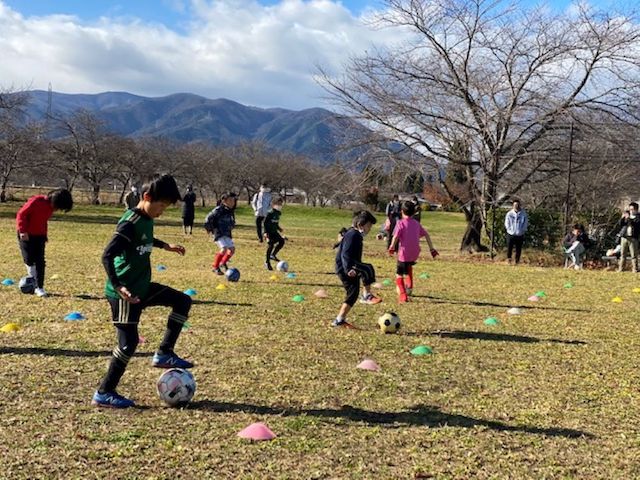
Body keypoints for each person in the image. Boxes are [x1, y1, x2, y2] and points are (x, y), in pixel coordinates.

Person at [93, 175, 192, 409]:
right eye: (161, 206)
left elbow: (145, 238)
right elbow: (107, 255)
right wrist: (119, 287)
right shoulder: (130, 222)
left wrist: (165, 246)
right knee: (128, 345)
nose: (162, 211)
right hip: (126, 293)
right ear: (146, 198)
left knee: (182, 301)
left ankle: (164, 353)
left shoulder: (146, 219)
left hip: (143, 287)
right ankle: (104, 392)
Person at [16, 188, 73, 298]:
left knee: (40, 261)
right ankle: (31, 281)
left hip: (39, 236)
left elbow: (42, 221)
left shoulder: (51, 208)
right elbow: (21, 215)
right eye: (58, 207)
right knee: (29, 259)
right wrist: (23, 231)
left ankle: (39, 287)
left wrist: (44, 235)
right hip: (26, 234)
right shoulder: (36, 202)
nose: (56, 210)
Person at [333, 210, 382, 328]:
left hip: (349, 266)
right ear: (360, 225)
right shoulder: (353, 234)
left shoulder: (354, 234)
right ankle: (367, 295)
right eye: (369, 226)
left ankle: (339, 320)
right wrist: (349, 268)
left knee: (353, 294)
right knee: (368, 269)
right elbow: (345, 254)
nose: (369, 229)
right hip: (346, 267)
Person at [388, 201, 439, 303]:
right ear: (413, 212)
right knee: (409, 265)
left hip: (404, 253)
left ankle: (403, 295)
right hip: (415, 253)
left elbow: (396, 237)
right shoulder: (416, 223)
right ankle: (410, 287)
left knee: (399, 274)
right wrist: (432, 249)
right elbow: (426, 235)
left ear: (402, 211)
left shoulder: (400, 223)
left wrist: (392, 247)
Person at [204, 192, 237, 275]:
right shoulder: (218, 210)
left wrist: (232, 225)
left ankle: (222, 263)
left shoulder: (230, 211)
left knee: (232, 250)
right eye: (230, 200)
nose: (232, 203)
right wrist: (208, 228)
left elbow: (231, 221)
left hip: (227, 233)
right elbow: (208, 218)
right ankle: (215, 267)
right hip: (218, 233)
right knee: (224, 249)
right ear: (224, 201)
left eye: (233, 201)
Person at [616, 202, 640, 272]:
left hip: (633, 238)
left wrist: (629, 218)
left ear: (636, 210)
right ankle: (621, 268)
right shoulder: (627, 215)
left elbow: (636, 225)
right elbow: (621, 224)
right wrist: (622, 218)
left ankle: (635, 269)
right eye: (630, 209)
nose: (631, 211)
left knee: (634, 255)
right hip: (625, 237)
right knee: (623, 254)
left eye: (632, 209)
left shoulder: (638, 217)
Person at [264, 197, 286, 270]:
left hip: (274, 232)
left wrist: (279, 228)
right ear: (273, 204)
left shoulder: (278, 213)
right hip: (269, 232)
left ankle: (273, 255)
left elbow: (275, 223)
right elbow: (265, 223)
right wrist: (265, 232)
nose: (280, 205)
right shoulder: (270, 213)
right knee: (270, 245)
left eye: (281, 204)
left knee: (282, 241)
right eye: (278, 204)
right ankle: (267, 262)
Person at [504, 200, 528, 264]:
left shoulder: (523, 214)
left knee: (518, 249)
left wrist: (522, 230)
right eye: (515, 205)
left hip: (520, 234)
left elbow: (525, 223)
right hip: (511, 234)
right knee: (509, 248)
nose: (516, 206)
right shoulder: (509, 214)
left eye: (517, 205)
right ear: (513, 206)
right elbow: (507, 223)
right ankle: (509, 260)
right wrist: (509, 230)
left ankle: (517, 261)